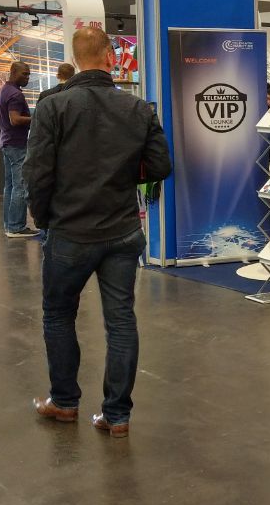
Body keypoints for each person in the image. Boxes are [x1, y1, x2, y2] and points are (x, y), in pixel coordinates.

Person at [24, 27, 172, 438]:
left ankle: (64, 402)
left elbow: (38, 173)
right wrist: (122, 175)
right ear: (110, 56)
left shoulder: (52, 106)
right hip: (122, 230)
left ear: (76, 58)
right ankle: (117, 415)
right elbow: (160, 166)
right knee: (121, 321)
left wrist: (45, 218)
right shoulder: (138, 108)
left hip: (70, 231)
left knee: (58, 315)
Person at [0, 60, 36, 238]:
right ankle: (16, 227)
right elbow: (15, 119)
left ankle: (9, 224)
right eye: (24, 74)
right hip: (16, 144)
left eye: (28, 74)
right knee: (20, 186)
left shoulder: (3, 90)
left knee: (10, 186)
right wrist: (38, 117)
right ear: (13, 72)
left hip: (6, 142)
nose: (27, 78)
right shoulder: (16, 95)